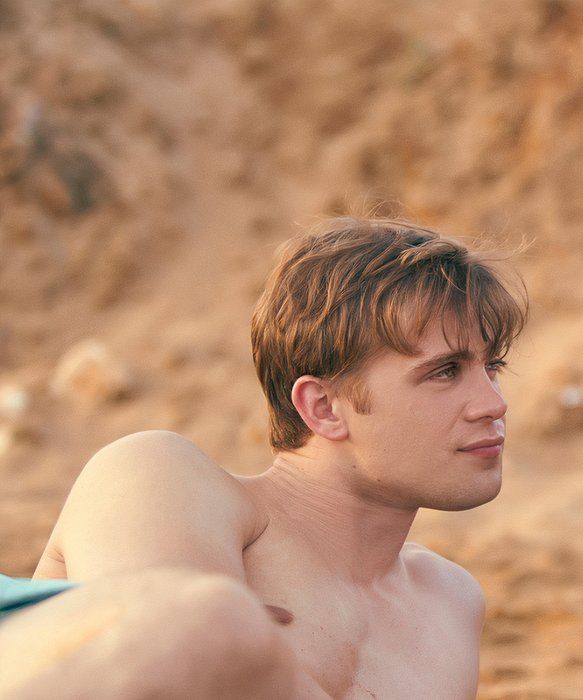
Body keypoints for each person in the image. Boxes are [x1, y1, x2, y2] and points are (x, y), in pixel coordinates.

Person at [8, 217, 527, 698]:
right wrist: (237, 640)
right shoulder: (163, 477)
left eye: (492, 366)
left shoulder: (450, 605)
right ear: (323, 407)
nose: (494, 404)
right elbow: (179, 653)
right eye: (445, 371)